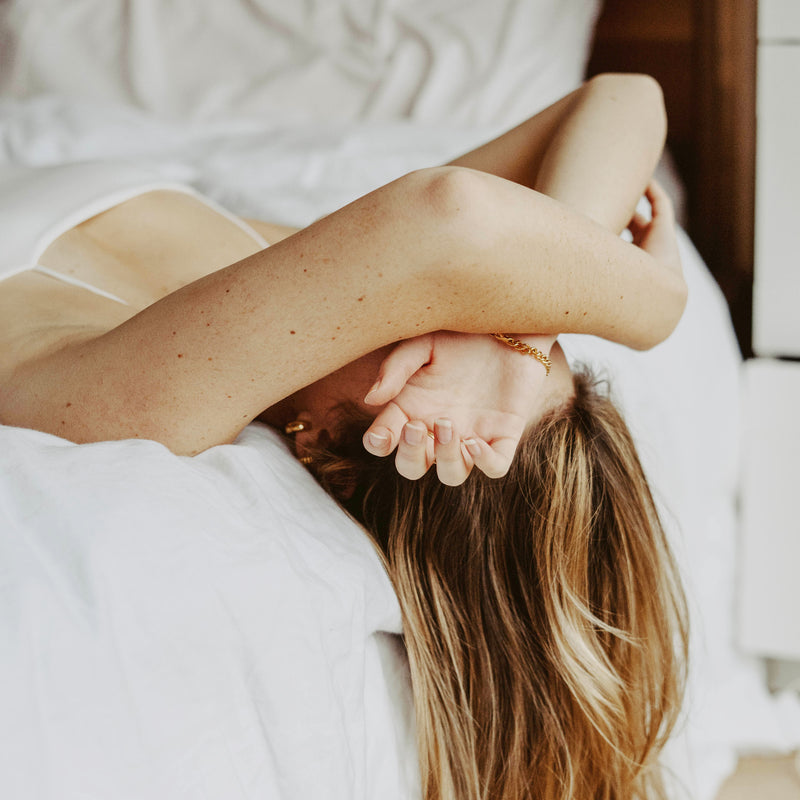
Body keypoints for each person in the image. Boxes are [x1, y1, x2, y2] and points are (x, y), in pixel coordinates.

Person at [0, 73, 688, 799]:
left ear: (326, 446)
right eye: (506, 327)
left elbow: (454, 216)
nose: (483, 305)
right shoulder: (324, 301)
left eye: (447, 350)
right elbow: (622, 96)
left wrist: (655, 305)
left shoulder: (143, 399)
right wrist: (527, 327)